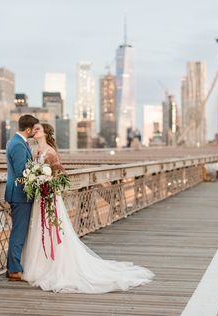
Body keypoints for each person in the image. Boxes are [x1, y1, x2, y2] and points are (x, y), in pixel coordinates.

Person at [22, 123, 154, 293]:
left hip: (49, 196)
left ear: (45, 133)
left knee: (52, 229)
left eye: (38, 129)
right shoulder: (35, 151)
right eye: (34, 129)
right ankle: (39, 266)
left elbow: (60, 175)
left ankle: (53, 266)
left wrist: (47, 182)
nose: (34, 131)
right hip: (40, 197)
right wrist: (35, 180)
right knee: (39, 228)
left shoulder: (51, 152)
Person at [4, 114, 39, 281]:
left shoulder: (17, 142)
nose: (35, 132)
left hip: (19, 194)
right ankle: (14, 270)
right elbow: (21, 171)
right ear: (28, 129)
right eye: (34, 129)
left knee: (18, 231)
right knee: (18, 232)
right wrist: (39, 175)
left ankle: (12, 266)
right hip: (19, 195)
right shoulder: (18, 145)